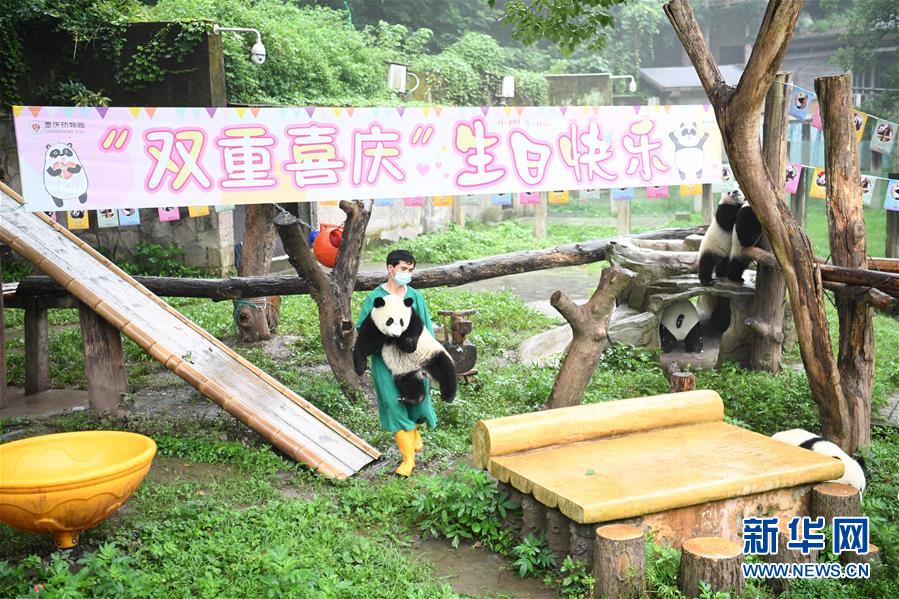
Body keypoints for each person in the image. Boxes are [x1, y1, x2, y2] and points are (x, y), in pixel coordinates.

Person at [355, 249, 436, 476]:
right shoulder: (375, 298)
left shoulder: (415, 297)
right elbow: (363, 330)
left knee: (419, 405)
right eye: (403, 269)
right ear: (391, 269)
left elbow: (427, 330)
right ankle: (408, 460)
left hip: (413, 362)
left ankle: (414, 431)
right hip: (385, 363)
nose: (407, 273)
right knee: (394, 405)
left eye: (410, 270)